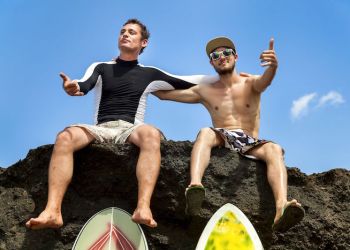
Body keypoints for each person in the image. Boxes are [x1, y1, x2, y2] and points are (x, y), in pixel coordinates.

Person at [25, 19, 216, 229]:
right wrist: (73, 87)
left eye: (132, 32)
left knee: (151, 134)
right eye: (122, 31)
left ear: (143, 43)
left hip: (131, 128)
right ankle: (53, 211)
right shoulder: (101, 67)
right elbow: (84, 84)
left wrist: (226, 76)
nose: (125, 34)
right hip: (100, 128)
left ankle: (143, 208)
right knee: (64, 137)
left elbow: (186, 80)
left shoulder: (149, 73)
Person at [156, 37, 305, 232]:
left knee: (274, 149)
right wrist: (139, 79)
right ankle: (195, 187)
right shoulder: (205, 90)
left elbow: (265, 80)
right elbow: (163, 94)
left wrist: (273, 67)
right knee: (205, 132)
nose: (222, 57)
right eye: (215, 55)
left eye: (226, 52)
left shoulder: (250, 82)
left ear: (235, 56)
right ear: (211, 62)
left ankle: (281, 208)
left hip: (250, 140)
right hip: (222, 134)